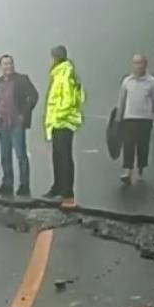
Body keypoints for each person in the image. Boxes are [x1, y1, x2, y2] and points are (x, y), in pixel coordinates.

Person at [43, 45, 85, 209]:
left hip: (63, 121)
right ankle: (58, 186)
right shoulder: (59, 72)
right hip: (58, 121)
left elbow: (68, 98)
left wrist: (60, 116)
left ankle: (67, 191)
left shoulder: (65, 72)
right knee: (58, 156)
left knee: (64, 157)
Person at [0, 54, 39, 197]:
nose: (8, 66)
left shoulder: (22, 79)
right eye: (5, 64)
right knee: (5, 155)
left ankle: (24, 185)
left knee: (21, 154)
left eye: (10, 63)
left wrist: (24, 113)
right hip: (3, 122)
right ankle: (7, 183)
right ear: (1, 66)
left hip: (17, 122)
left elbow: (34, 96)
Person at [115, 54, 154, 184]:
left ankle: (141, 169)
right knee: (128, 144)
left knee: (143, 145)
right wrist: (119, 117)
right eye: (135, 63)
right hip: (129, 118)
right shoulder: (127, 81)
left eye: (140, 63)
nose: (137, 66)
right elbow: (121, 100)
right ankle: (128, 171)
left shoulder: (151, 81)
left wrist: (149, 111)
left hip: (145, 119)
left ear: (145, 65)